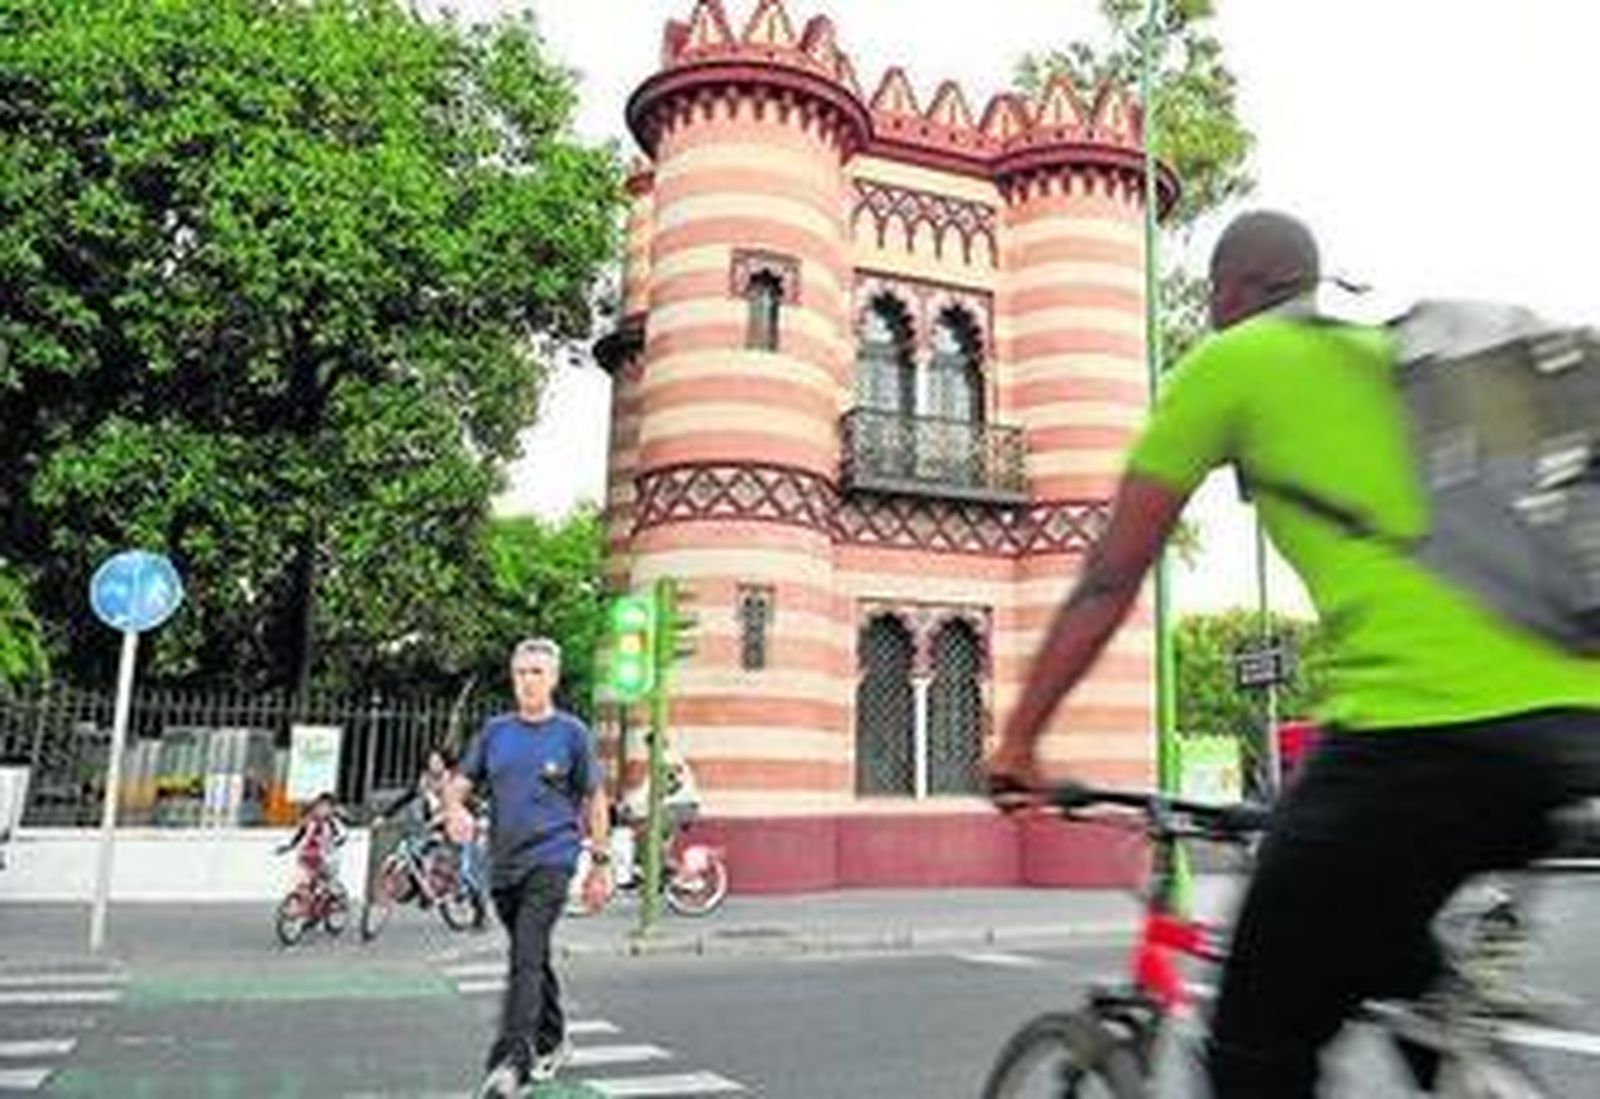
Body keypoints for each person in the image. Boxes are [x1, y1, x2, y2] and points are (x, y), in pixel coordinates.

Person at [989, 210, 1600, 1098]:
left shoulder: (1233, 361)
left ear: (1232, 291)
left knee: (1253, 1044)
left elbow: (1107, 577)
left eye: (1209, 298)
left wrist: (1019, 742)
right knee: (1391, 955)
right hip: (1571, 727)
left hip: (1418, 736)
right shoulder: (1395, 362)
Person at [451, 638, 612, 1098]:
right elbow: (459, 784)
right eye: (521, 672)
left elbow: (595, 797)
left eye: (537, 672)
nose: (528, 681)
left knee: (524, 955)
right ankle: (553, 1036)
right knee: (533, 956)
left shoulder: (572, 733)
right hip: (504, 867)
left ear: (554, 679)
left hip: (553, 860)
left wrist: (599, 863)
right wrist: (455, 809)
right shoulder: (495, 732)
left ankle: (510, 1062)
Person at [277, 792, 347, 897]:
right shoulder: (309, 822)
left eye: (326, 807)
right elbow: (299, 836)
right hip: (308, 855)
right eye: (320, 806)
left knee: (325, 880)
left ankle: (329, 894)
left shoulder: (331, 823)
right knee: (303, 879)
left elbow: (341, 835)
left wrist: (334, 844)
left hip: (325, 856)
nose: (322, 810)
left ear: (331, 810)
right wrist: (288, 847)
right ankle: (306, 897)